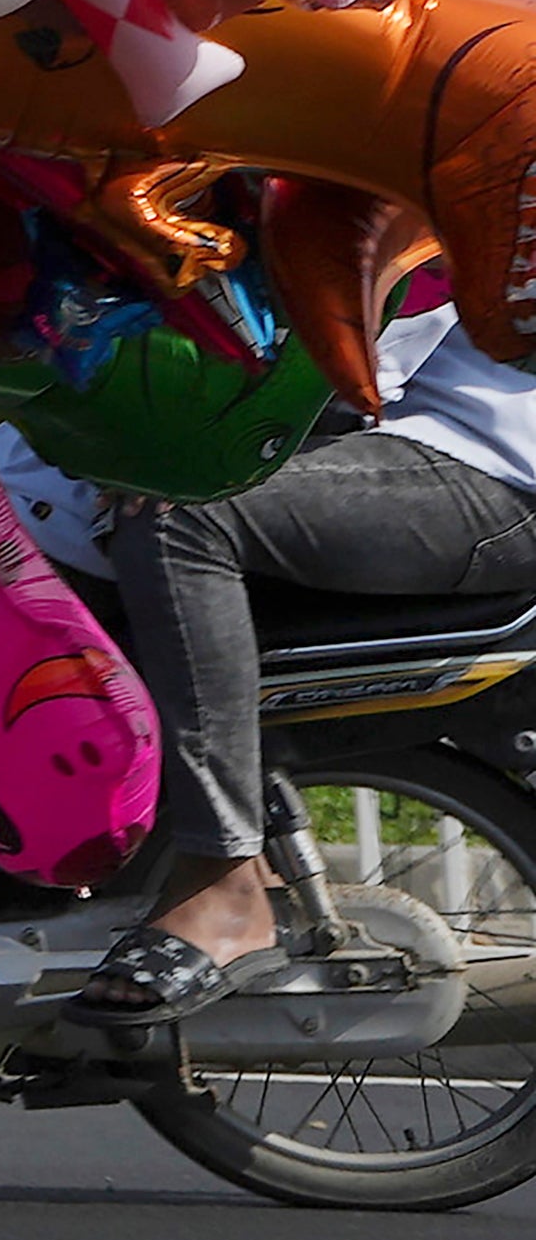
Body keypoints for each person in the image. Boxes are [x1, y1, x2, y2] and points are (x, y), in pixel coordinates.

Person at [74, 303, 536, 1023]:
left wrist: (172, 442)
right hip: (394, 428)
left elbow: (369, 311)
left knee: (183, 512)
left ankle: (223, 878)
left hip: (494, 458)